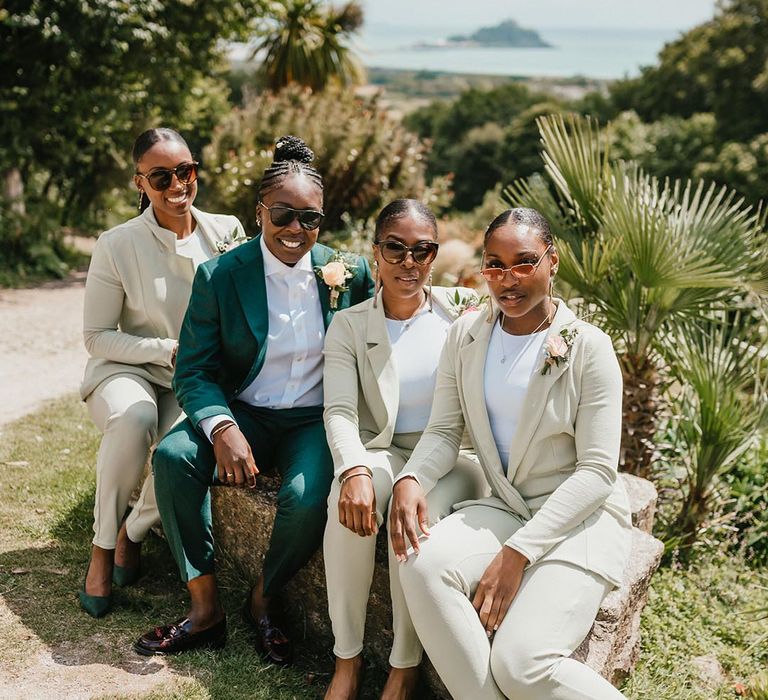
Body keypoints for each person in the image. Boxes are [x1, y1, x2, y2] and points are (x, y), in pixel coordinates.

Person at [133, 135, 375, 661]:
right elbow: (194, 371)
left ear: (322, 220)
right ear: (260, 212)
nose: (295, 229)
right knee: (173, 458)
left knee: (308, 496)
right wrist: (221, 427)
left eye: (308, 219)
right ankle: (205, 607)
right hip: (244, 409)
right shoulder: (220, 276)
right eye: (283, 215)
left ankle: (263, 602)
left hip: (314, 418)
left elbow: (392, 322)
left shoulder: (348, 274)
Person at [389, 208, 633, 699]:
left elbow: (598, 472)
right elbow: (443, 429)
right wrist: (411, 479)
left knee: (521, 664)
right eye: (494, 265)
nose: (507, 279)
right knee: (419, 562)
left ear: (552, 261)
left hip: (578, 519)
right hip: (506, 506)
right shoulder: (466, 335)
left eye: (524, 263)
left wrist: (518, 553)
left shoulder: (589, 348)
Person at [322, 199, 488, 700]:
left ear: (434, 256)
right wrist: (352, 470)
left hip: (455, 456)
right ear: (375, 253)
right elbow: (339, 412)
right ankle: (346, 658)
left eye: (422, 250)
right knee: (346, 500)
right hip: (386, 447)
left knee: (412, 512)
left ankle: (403, 665)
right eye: (395, 248)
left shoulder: (461, 312)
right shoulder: (349, 325)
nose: (408, 261)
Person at [79, 128, 245, 618]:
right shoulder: (116, 244)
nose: (178, 184)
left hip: (192, 381)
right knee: (134, 419)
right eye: (161, 176)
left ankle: (134, 531)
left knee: (184, 446)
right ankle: (103, 549)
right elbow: (96, 336)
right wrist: (165, 349)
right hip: (126, 369)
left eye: (186, 171)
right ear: (140, 183)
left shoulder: (228, 231)